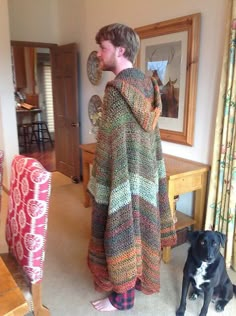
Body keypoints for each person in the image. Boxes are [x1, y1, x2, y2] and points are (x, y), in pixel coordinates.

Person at [87, 23, 177, 312]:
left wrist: (102, 178)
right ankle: (135, 281)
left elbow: (110, 144)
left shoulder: (116, 91)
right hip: (145, 173)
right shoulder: (147, 85)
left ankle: (121, 298)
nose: (99, 55)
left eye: (103, 48)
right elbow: (143, 136)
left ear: (120, 50)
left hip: (123, 176)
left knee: (121, 229)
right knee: (138, 228)